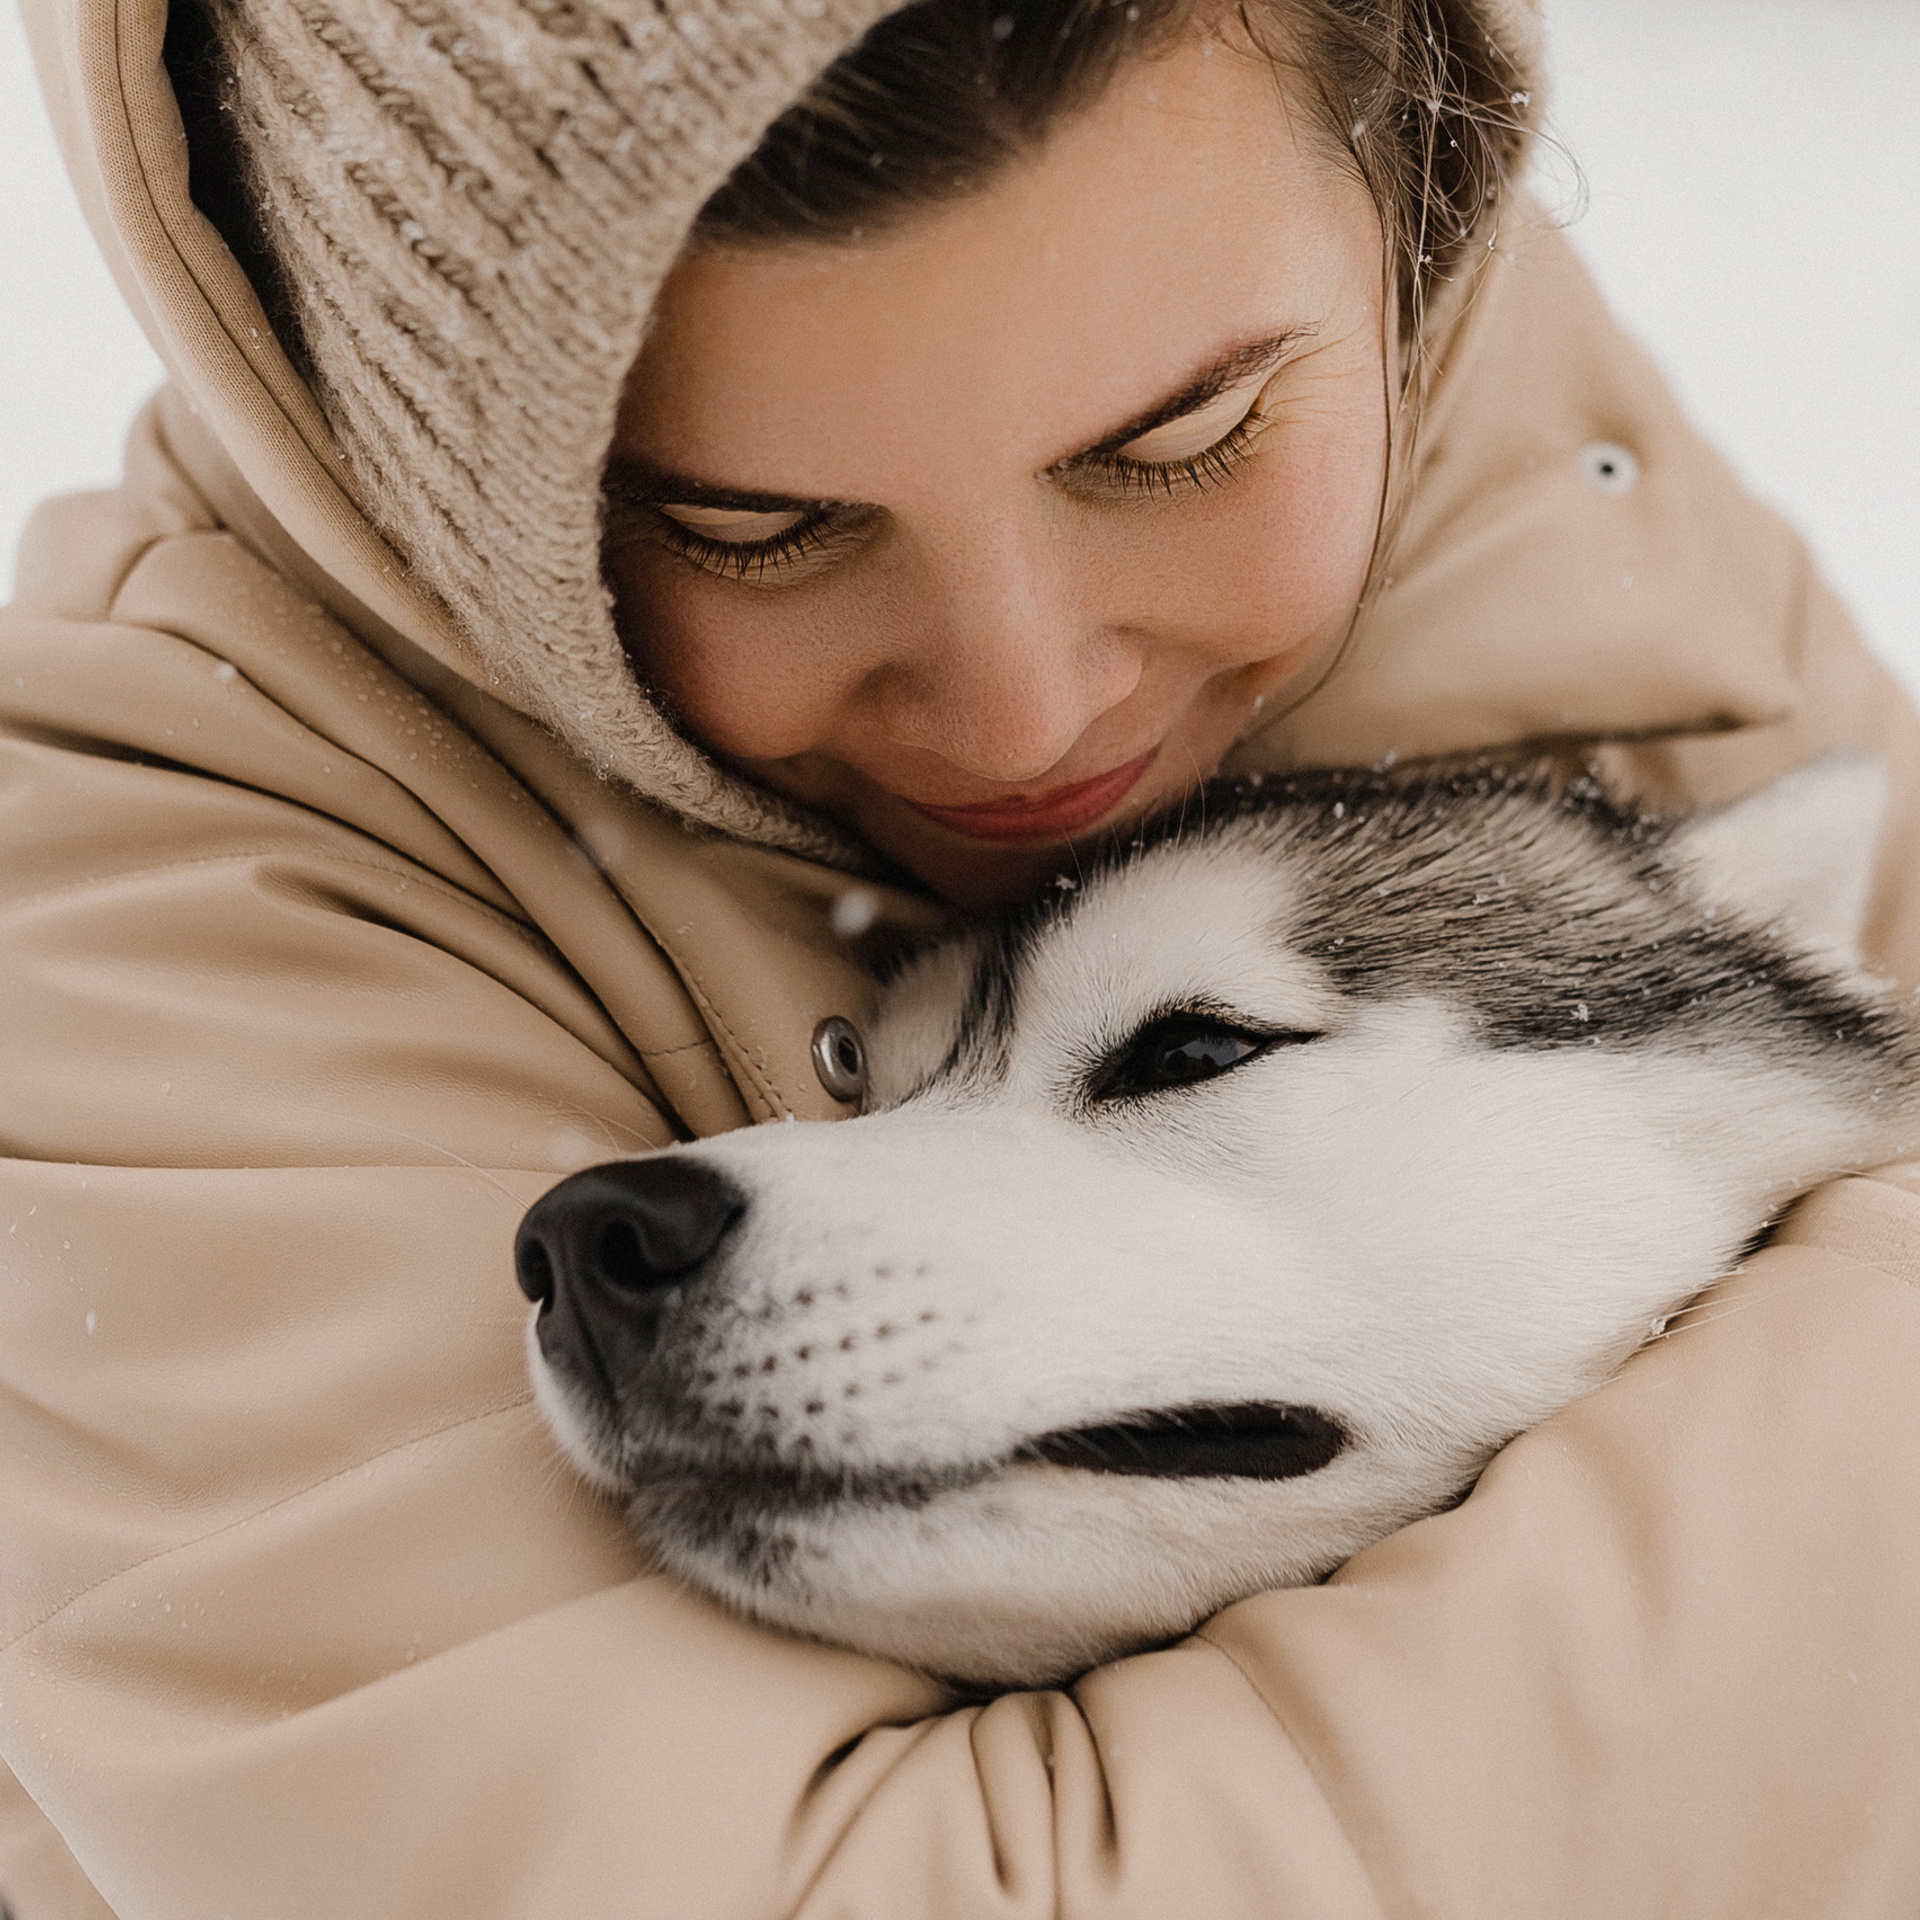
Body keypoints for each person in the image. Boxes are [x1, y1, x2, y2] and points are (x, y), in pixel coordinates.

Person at [4, 0, 1919, 1910]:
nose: (1024, 720)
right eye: (758, 528)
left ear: (1406, 217)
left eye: (1184, 437)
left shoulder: (1457, 402)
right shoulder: (133, 899)